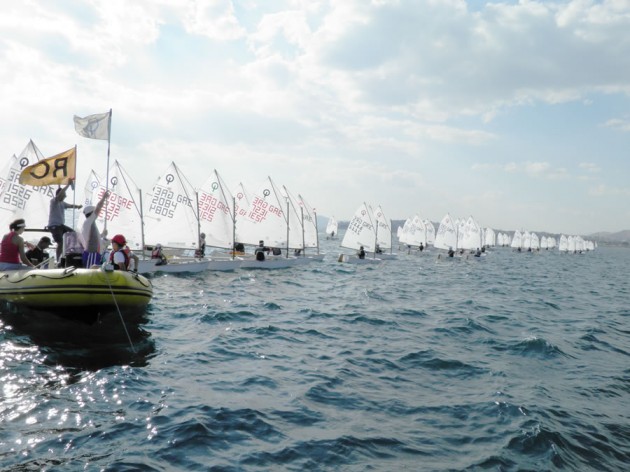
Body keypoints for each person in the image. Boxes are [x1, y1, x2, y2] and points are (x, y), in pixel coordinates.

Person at [48, 181, 82, 261]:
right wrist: (68, 185)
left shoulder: (62, 203)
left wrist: (77, 206)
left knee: (73, 233)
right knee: (60, 243)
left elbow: (70, 205)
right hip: (54, 226)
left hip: (61, 225)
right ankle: (58, 260)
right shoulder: (54, 201)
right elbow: (60, 195)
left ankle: (69, 253)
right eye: (64, 195)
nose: (65, 196)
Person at [80, 190, 109, 268]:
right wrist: (104, 198)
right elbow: (98, 207)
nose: (97, 214)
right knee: (90, 271)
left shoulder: (89, 223)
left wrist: (102, 234)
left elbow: (92, 237)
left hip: (94, 253)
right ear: (91, 213)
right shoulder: (89, 221)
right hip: (91, 253)